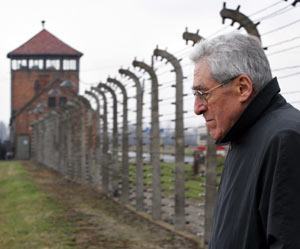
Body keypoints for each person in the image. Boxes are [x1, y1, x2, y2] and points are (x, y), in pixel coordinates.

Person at [190, 32, 300, 249]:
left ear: (242, 88)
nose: (197, 107)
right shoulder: (245, 136)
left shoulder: (285, 140)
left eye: (203, 93)